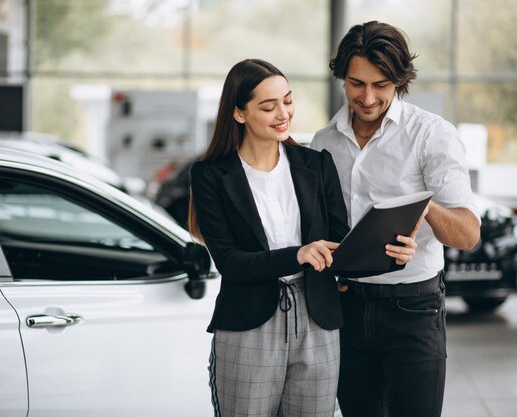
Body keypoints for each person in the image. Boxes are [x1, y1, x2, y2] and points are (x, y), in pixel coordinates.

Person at [188, 58, 417, 417]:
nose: (283, 113)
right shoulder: (211, 176)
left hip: (318, 319)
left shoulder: (316, 164)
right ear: (238, 114)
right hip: (249, 325)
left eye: (288, 100)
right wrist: (298, 254)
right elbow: (231, 264)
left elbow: (341, 245)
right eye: (268, 106)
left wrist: (391, 255)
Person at [310, 21, 482, 417]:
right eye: (356, 84)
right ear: (341, 78)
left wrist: (422, 207)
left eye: (381, 85)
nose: (367, 97)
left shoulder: (432, 136)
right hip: (347, 308)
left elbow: (467, 234)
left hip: (413, 310)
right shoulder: (323, 142)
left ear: (400, 81)